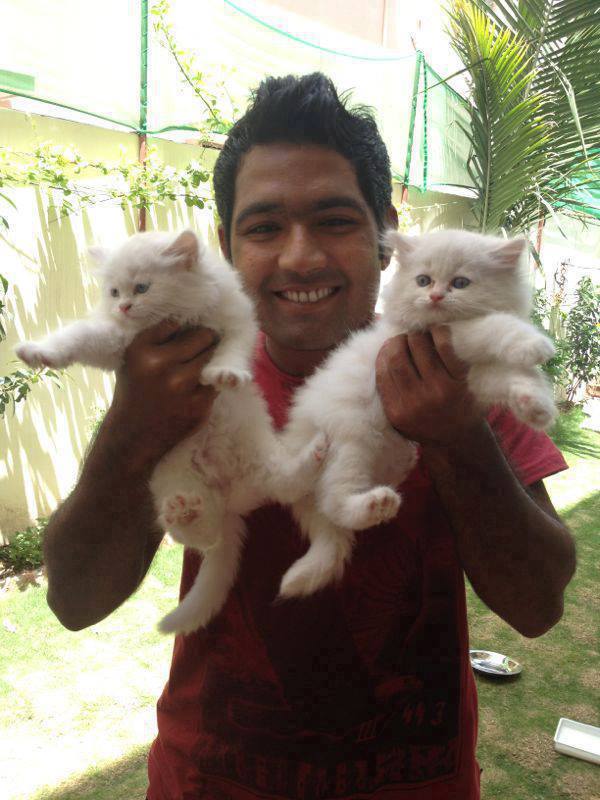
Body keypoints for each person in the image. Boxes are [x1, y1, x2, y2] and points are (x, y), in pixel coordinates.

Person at [43, 73, 575, 800]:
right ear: (225, 243)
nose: (299, 258)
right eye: (263, 228)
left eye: (334, 220)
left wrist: (457, 437)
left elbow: (539, 605)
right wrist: (132, 432)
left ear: (385, 236)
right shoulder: (181, 377)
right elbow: (76, 601)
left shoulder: (459, 367)